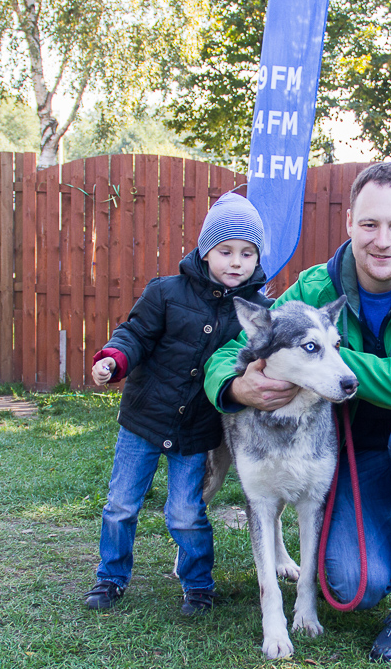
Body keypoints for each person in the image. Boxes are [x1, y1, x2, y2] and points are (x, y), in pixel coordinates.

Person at [203, 162, 391, 663]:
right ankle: (383, 525)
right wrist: (235, 384)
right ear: (350, 222)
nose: (383, 240)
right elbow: (236, 348)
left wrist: (321, 359)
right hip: (353, 454)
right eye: (370, 224)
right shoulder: (317, 286)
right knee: (354, 584)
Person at [84, 192, 270, 615]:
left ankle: (198, 584)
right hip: (144, 420)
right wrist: (113, 359)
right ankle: (110, 577)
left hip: (197, 430)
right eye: (225, 251)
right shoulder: (166, 292)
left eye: (247, 253)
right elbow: (135, 334)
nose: (236, 262)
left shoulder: (259, 311)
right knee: (121, 505)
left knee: (186, 512)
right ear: (205, 252)